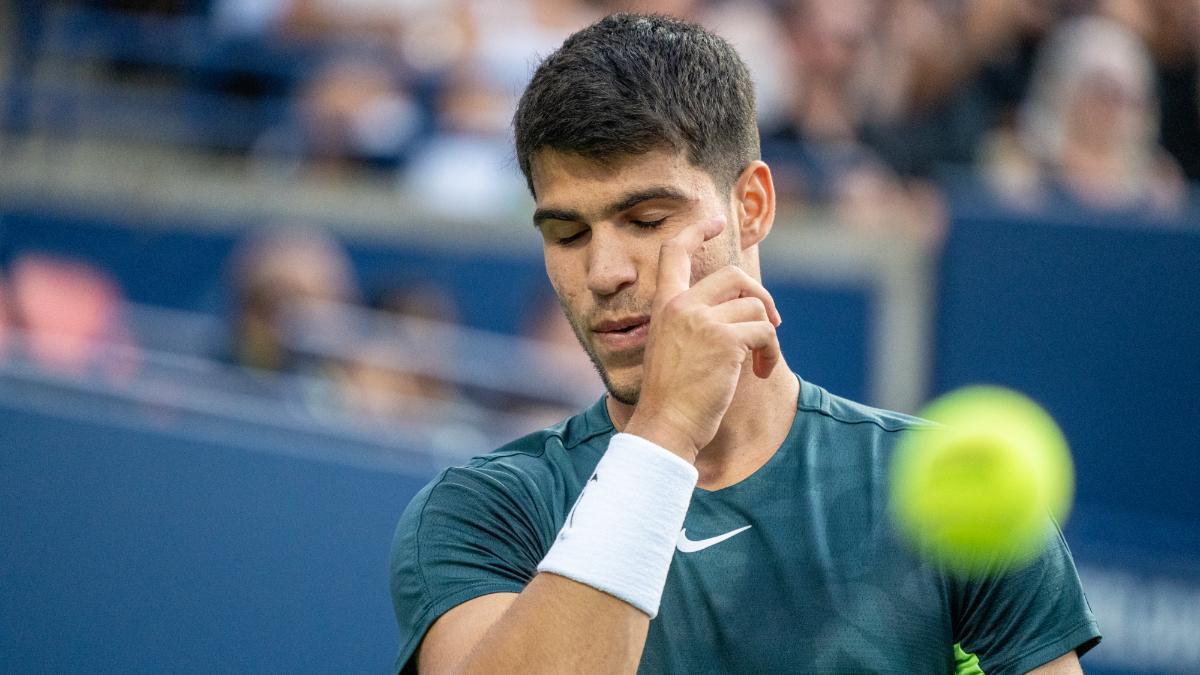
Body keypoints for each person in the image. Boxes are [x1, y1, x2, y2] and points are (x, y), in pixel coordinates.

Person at [390, 13, 1100, 674]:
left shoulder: (949, 492)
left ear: (751, 206)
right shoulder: (484, 510)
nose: (604, 273)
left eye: (646, 218)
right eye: (568, 234)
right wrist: (667, 428)